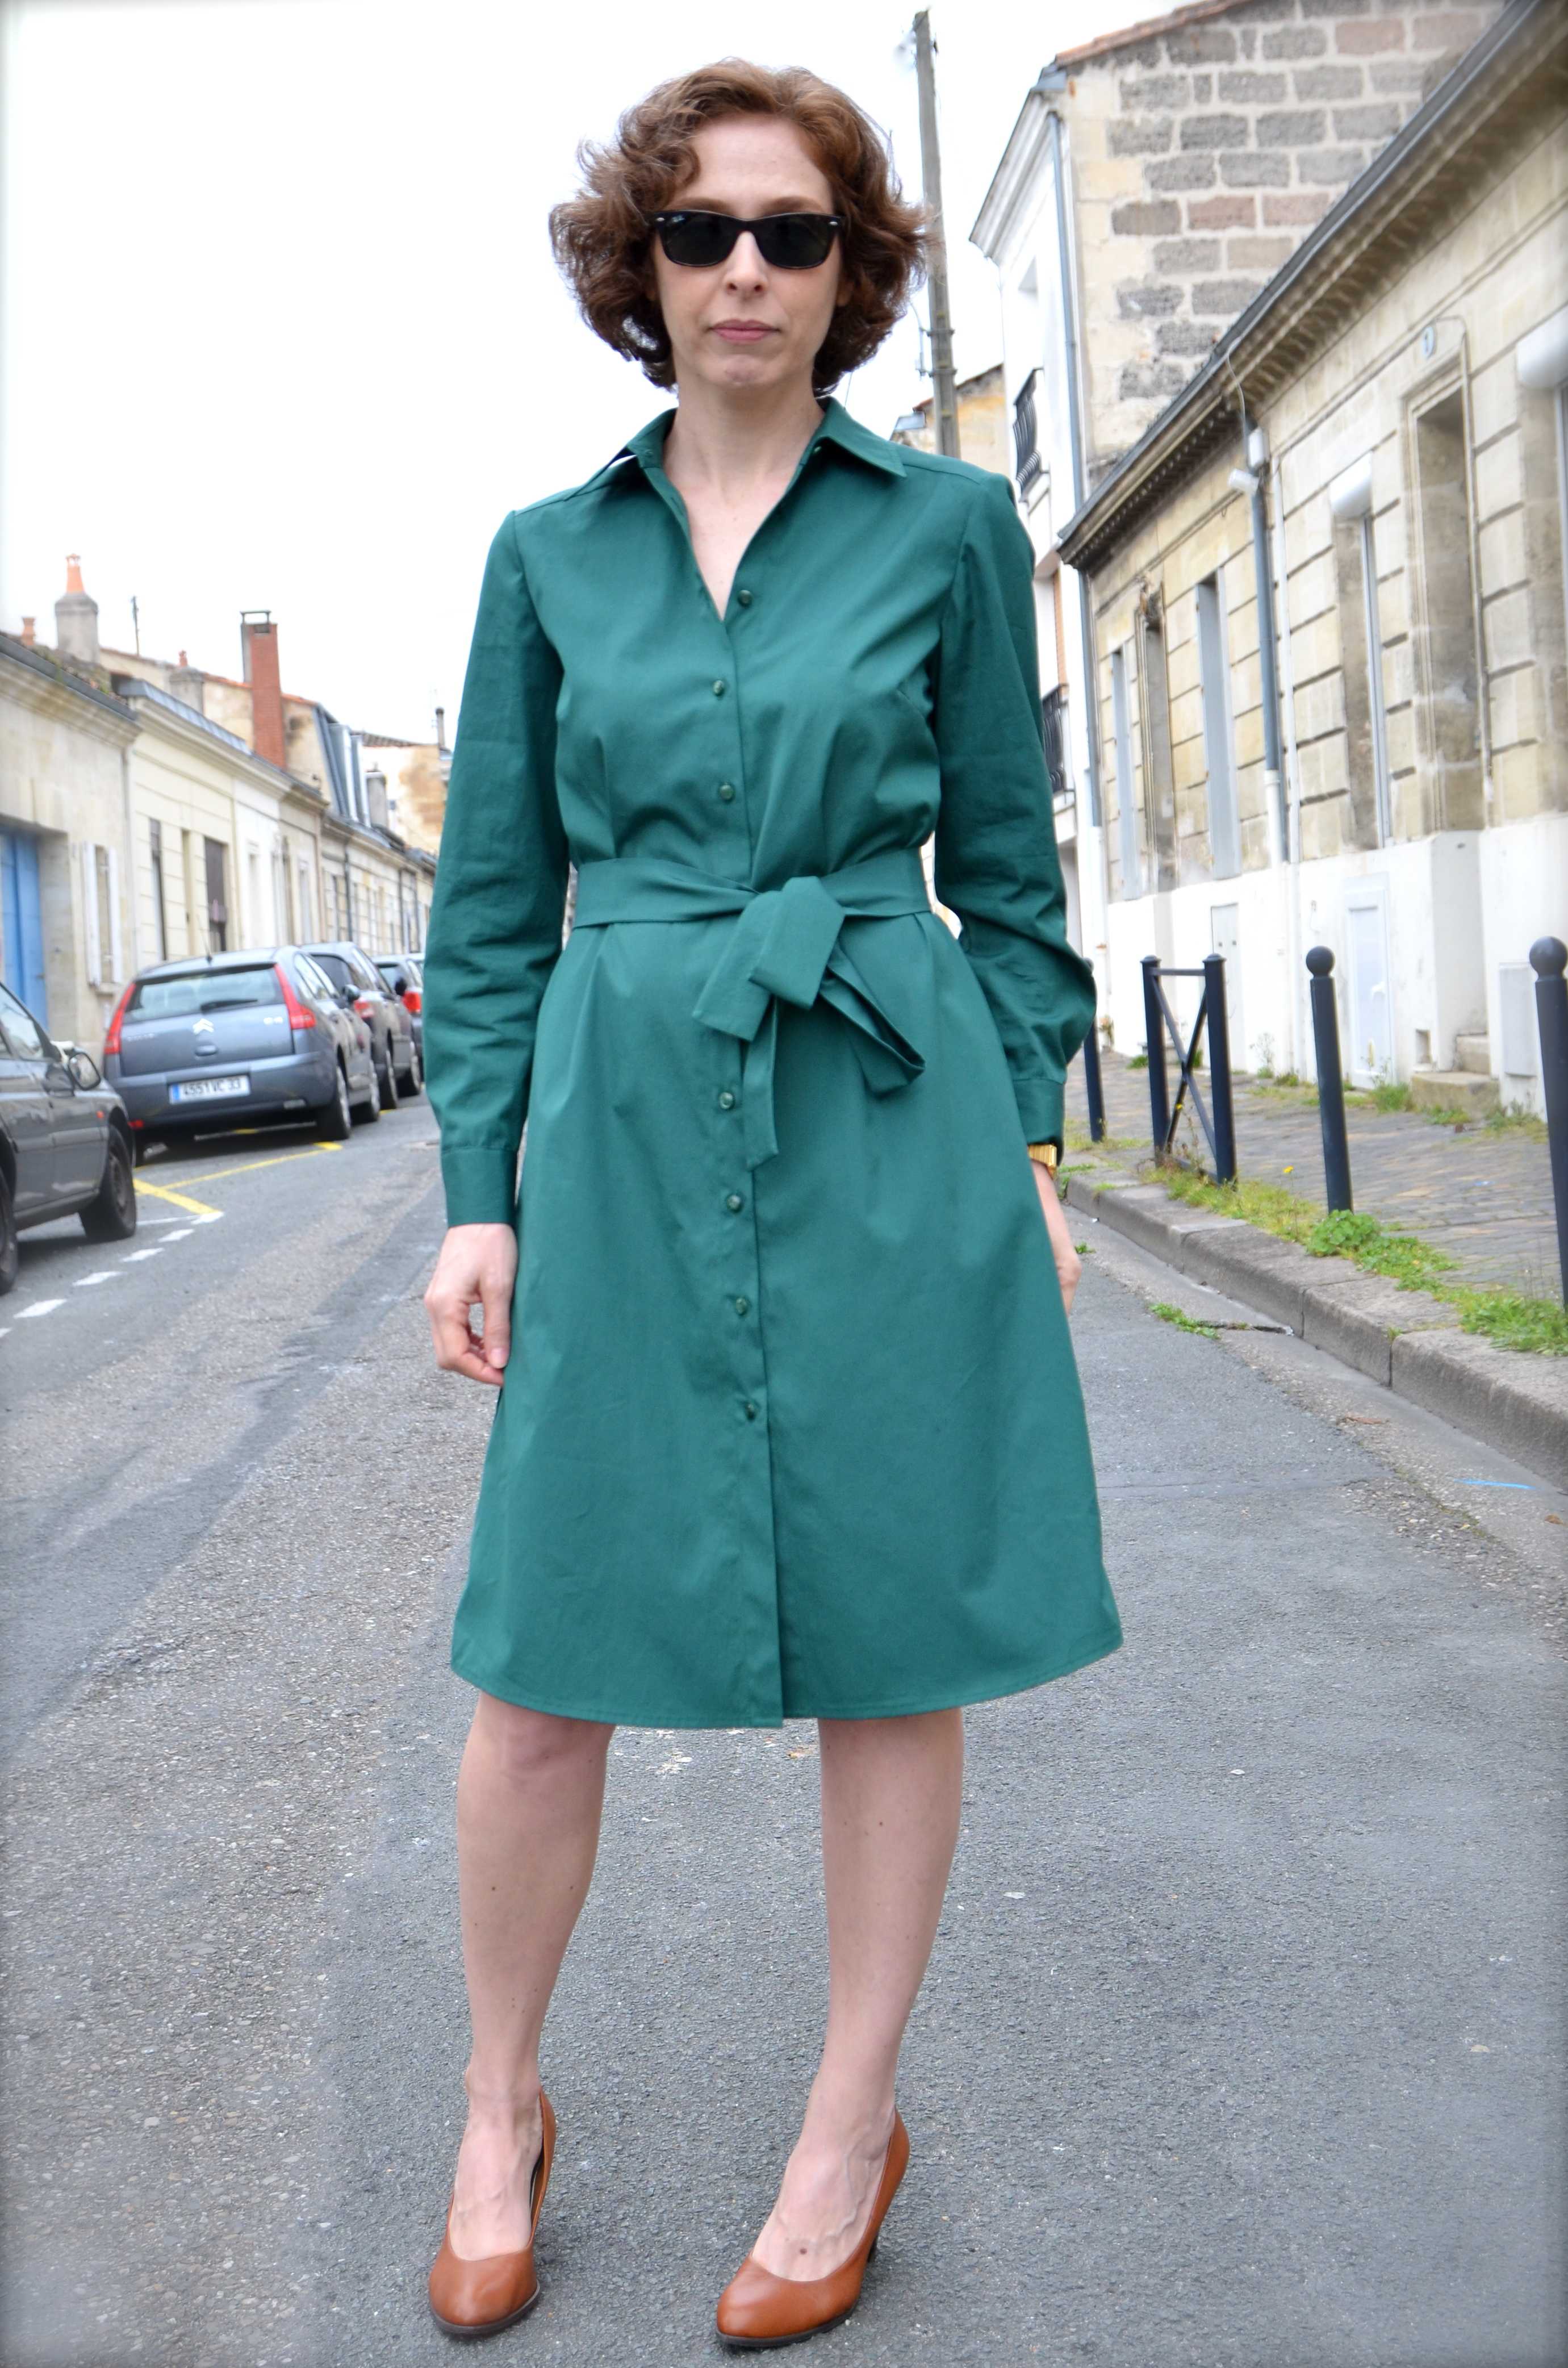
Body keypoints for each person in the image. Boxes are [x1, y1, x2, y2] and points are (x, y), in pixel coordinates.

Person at [419, 57, 1123, 2350]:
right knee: (539, 1659)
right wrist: (472, 1192)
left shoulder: (940, 528)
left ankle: (847, 2118)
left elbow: (1010, 886)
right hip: (621, 1135)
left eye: (792, 233)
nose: (745, 268)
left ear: (851, 275)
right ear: (640, 265)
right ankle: (500, 2100)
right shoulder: (547, 554)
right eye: (705, 230)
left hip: (881, 1101)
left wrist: (1019, 1139)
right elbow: (494, 909)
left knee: (891, 1637)